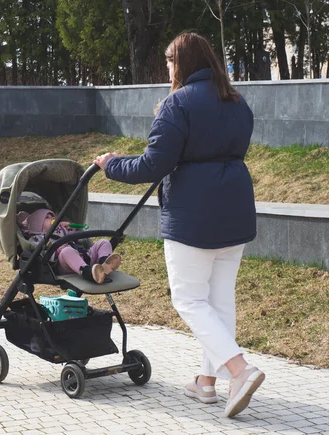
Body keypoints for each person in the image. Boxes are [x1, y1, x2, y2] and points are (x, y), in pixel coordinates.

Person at [94, 32, 264, 418]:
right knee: (220, 301)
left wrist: (111, 165)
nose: (168, 69)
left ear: (180, 63)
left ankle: (241, 371)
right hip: (235, 209)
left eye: (169, 63)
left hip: (193, 215)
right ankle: (206, 384)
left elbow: (154, 164)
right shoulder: (236, 101)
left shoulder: (177, 103)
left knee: (188, 299)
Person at [16, 208, 121, 284]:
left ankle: (103, 265)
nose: (53, 218)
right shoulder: (37, 238)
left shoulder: (63, 231)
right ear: (37, 225)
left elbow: (81, 239)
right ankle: (87, 273)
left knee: (103, 242)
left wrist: (73, 229)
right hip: (64, 264)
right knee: (67, 251)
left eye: (53, 216)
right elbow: (40, 253)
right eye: (47, 217)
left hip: (85, 256)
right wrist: (56, 251)